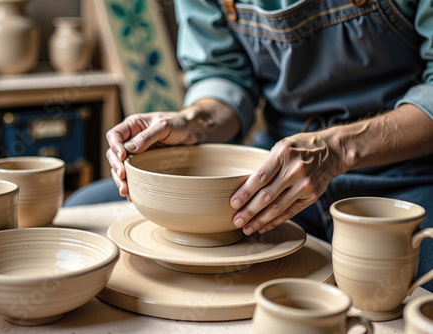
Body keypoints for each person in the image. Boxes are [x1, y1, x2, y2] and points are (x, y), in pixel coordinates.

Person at [65, 0, 433, 290]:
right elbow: (222, 75)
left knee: (412, 292)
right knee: (80, 218)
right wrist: (193, 121)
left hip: (403, 173)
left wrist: (336, 149)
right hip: (274, 171)